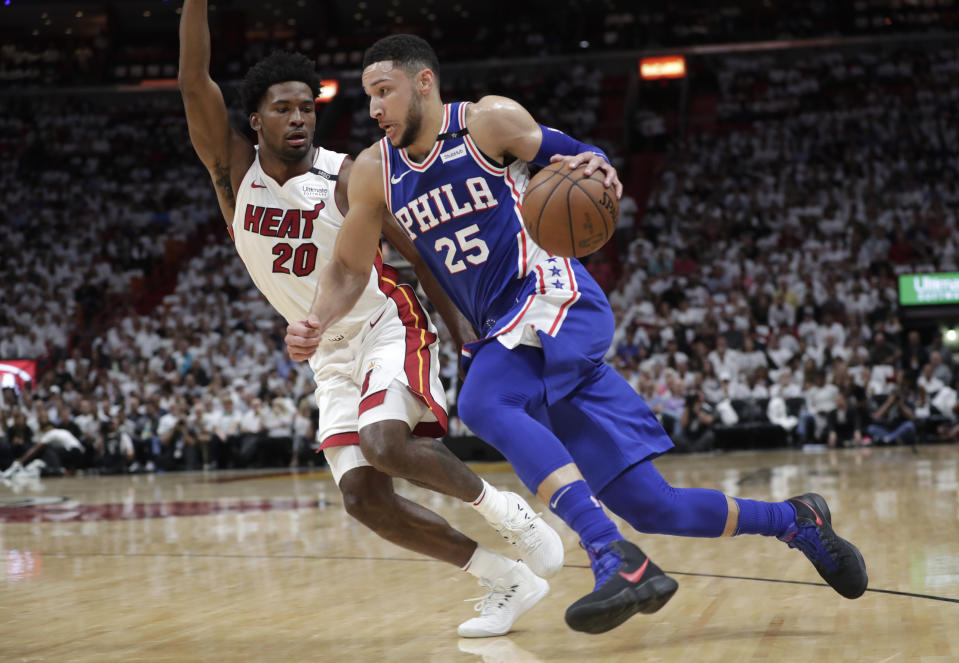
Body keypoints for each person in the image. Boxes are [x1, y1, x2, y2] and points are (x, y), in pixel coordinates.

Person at [285, 34, 870, 634]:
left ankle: (613, 557)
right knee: (650, 504)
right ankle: (796, 521)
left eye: (385, 91)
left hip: (552, 296)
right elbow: (350, 266)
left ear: (424, 83)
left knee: (485, 401)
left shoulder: (488, 122)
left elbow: (578, 156)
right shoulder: (374, 173)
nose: (375, 107)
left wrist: (600, 169)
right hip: (512, 336)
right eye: (369, 96)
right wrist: (316, 319)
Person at [177, 1, 564, 639]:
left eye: (307, 106)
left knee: (386, 444)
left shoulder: (351, 173)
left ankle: (511, 515)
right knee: (363, 498)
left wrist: (461, 330)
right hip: (328, 352)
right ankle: (506, 579)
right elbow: (195, 81)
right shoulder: (232, 173)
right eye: (283, 108)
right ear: (255, 120)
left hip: (387, 322)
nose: (298, 117)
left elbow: (418, 252)